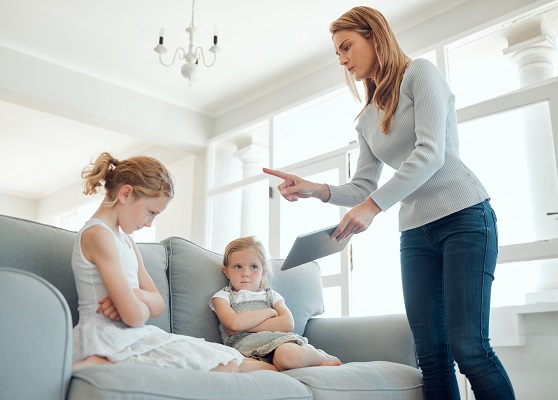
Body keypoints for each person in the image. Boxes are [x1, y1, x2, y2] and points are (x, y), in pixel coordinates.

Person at [263, 6, 515, 399]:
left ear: (374, 36)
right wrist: (314, 188)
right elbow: (363, 184)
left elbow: (430, 153)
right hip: (415, 235)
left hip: (464, 218)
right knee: (431, 355)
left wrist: (373, 207)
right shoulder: (366, 118)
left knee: (470, 349)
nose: (343, 60)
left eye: (347, 47)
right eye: (338, 54)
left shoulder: (421, 73)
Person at [71, 152, 247, 373]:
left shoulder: (126, 241)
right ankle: (99, 364)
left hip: (130, 335)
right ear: (126, 194)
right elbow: (135, 317)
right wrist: (136, 304)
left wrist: (135, 296)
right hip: (106, 338)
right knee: (225, 366)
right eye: (150, 212)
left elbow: (158, 304)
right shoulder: (99, 235)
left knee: (230, 358)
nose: (149, 224)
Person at [210, 236, 342, 371]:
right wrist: (269, 312)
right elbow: (234, 324)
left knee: (288, 356)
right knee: (230, 365)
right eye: (238, 266)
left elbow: (287, 324)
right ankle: (277, 368)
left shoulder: (270, 295)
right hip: (245, 352)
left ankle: (321, 356)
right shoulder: (222, 297)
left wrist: (242, 326)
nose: (245, 273)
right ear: (226, 271)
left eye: (254, 267)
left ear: (263, 272)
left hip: (278, 344)